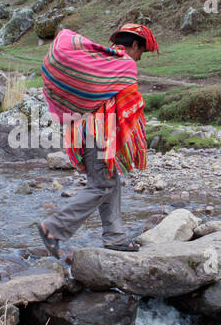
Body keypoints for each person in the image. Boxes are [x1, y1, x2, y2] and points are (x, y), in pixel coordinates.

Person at [38, 21, 159, 258]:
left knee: (110, 182)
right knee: (101, 184)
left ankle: (115, 237)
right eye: (141, 51)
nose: (140, 57)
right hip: (100, 135)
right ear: (134, 44)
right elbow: (126, 104)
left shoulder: (101, 63)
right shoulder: (125, 65)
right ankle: (53, 228)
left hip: (86, 133)